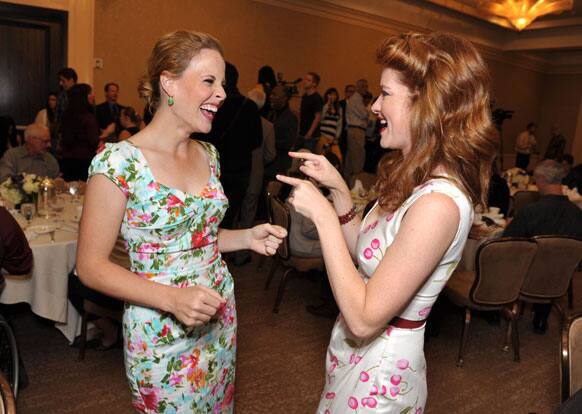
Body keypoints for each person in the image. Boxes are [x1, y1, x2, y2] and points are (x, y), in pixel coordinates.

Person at [278, 32, 498, 413]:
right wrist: (339, 192)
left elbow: (364, 320)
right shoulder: (415, 179)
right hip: (356, 358)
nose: (375, 105)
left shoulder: (439, 205)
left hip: (380, 378)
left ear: (426, 105)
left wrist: (324, 218)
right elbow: (365, 254)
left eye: (386, 94)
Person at [76, 30, 285, 413]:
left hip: (219, 317)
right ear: (168, 82)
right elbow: (90, 267)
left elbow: (197, 239)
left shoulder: (209, 154)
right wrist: (171, 298)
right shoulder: (118, 163)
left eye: (222, 83)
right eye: (209, 81)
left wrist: (246, 237)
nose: (222, 93)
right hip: (161, 332)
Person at [503, 159, 582, 334]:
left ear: (540, 179)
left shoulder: (530, 212)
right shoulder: (578, 215)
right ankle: (540, 319)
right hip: (560, 280)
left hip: (527, 279)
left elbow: (507, 244)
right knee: (551, 262)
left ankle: (496, 309)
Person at [198, 61, 263, 229]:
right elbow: (256, 143)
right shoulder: (249, 107)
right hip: (239, 174)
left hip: (209, 170)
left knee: (206, 220)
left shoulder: (209, 104)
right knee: (228, 220)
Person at [60, 83, 103, 181]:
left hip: (67, 160)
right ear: (83, 97)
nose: (93, 96)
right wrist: (105, 135)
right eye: (90, 93)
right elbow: (93, 141)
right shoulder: (88, 117)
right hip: (85, 161)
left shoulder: (66, 116)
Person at [343, 78, 370, 186]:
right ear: (359, 87)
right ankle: (356, 185)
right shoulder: (356, 99)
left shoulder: (356, 99)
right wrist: (367, 113)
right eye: (364, 86)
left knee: (350, 160)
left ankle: (347, 182)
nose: (366, 89)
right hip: (356, 130)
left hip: (354, 130)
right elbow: (364, 114)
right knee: (358, 158)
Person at [316, 87, 343, 160]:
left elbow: (339, 125)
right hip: (323, 135)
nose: (332, 96)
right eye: (330, 94)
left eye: (334, 95)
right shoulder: (324, 106)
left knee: (338, 157)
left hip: (332, 138)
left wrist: (336, 137)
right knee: (321, 155)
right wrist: (327, 104)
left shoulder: (339, 109)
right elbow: (320, 119)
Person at [299, 72, 323, 152]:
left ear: (314, 84)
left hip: (311, 136)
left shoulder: (317, 98)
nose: (305, 81)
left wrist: (309, 133)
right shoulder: (304, 96)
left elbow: (317, 117)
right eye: (305, 79)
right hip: (302, 133)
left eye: (308, 80)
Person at [34, 92, 59, 156]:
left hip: (57, 141)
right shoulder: (42, 113)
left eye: (53, 100)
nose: (50, 102)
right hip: (45, 141)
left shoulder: (60, 114)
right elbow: (36, 129)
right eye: (49, 100)